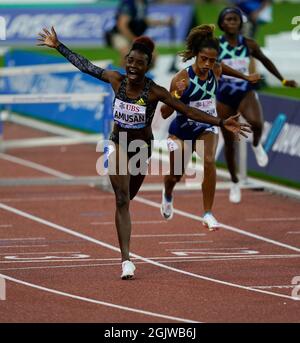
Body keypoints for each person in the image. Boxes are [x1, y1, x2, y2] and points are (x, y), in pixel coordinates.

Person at [37, 27, 251, 279]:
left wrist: (220, 122)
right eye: (130, 61)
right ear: (125, 62)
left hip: (141, 149)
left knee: (129, 197)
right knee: (120, 199)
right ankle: (126, 260)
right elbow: (86, 66)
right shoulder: (116, 80)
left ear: (147, 66)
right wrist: (59, 45)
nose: (133, 66)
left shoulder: (155, 91)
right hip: (118, 143)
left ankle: (137, 215)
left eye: (139, 63)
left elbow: (188, 111)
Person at [160, 24, 260, 230]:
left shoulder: (216, 68)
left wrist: (246, 77)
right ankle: (168, 194)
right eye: (203, 59)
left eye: (212, 60)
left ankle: (207, 213)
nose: (207, 64)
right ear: (196, 55)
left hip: (207, 126)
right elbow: (164, 113)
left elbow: (226, 69)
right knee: (175, 175)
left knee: (208, 161)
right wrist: (176, 95)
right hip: (182, 128)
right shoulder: (181, 79)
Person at [216, 7, 297, 204]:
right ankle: (235, 182)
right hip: (224, 96)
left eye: (236, 19)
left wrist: (283, 80)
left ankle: (256, 144)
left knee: (257, 123)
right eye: (228, 19)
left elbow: (266, 61)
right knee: (229, 142)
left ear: (241, 23)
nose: (233, 22)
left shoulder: (249, 44)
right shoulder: (215, 46)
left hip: (245, 92)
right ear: (222, 24)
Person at [106, 0, 173, 68]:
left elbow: (144, 20)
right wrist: (135, 39)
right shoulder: (128, 3)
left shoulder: (144, 3)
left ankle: (144, 76)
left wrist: (164, 22)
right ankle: (121, 75)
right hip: (120, 34)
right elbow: (122, 26)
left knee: (152, 56)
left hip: (135, 35)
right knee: (127, 54)